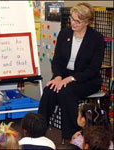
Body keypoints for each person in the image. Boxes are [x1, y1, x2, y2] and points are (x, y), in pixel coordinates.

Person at [38, 2, 104, 141]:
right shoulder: (65, 34)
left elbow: (93, 69)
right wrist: (57, 77)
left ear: (87, 22)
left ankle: (71, 136)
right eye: (72, 19)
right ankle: (38, 130)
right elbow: (57, 61)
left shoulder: (97, 39)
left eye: (77, 21)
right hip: (65, 76)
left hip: (87, 79)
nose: (73, 23)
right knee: (49, 89)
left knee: (66, 91)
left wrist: (71, 79)